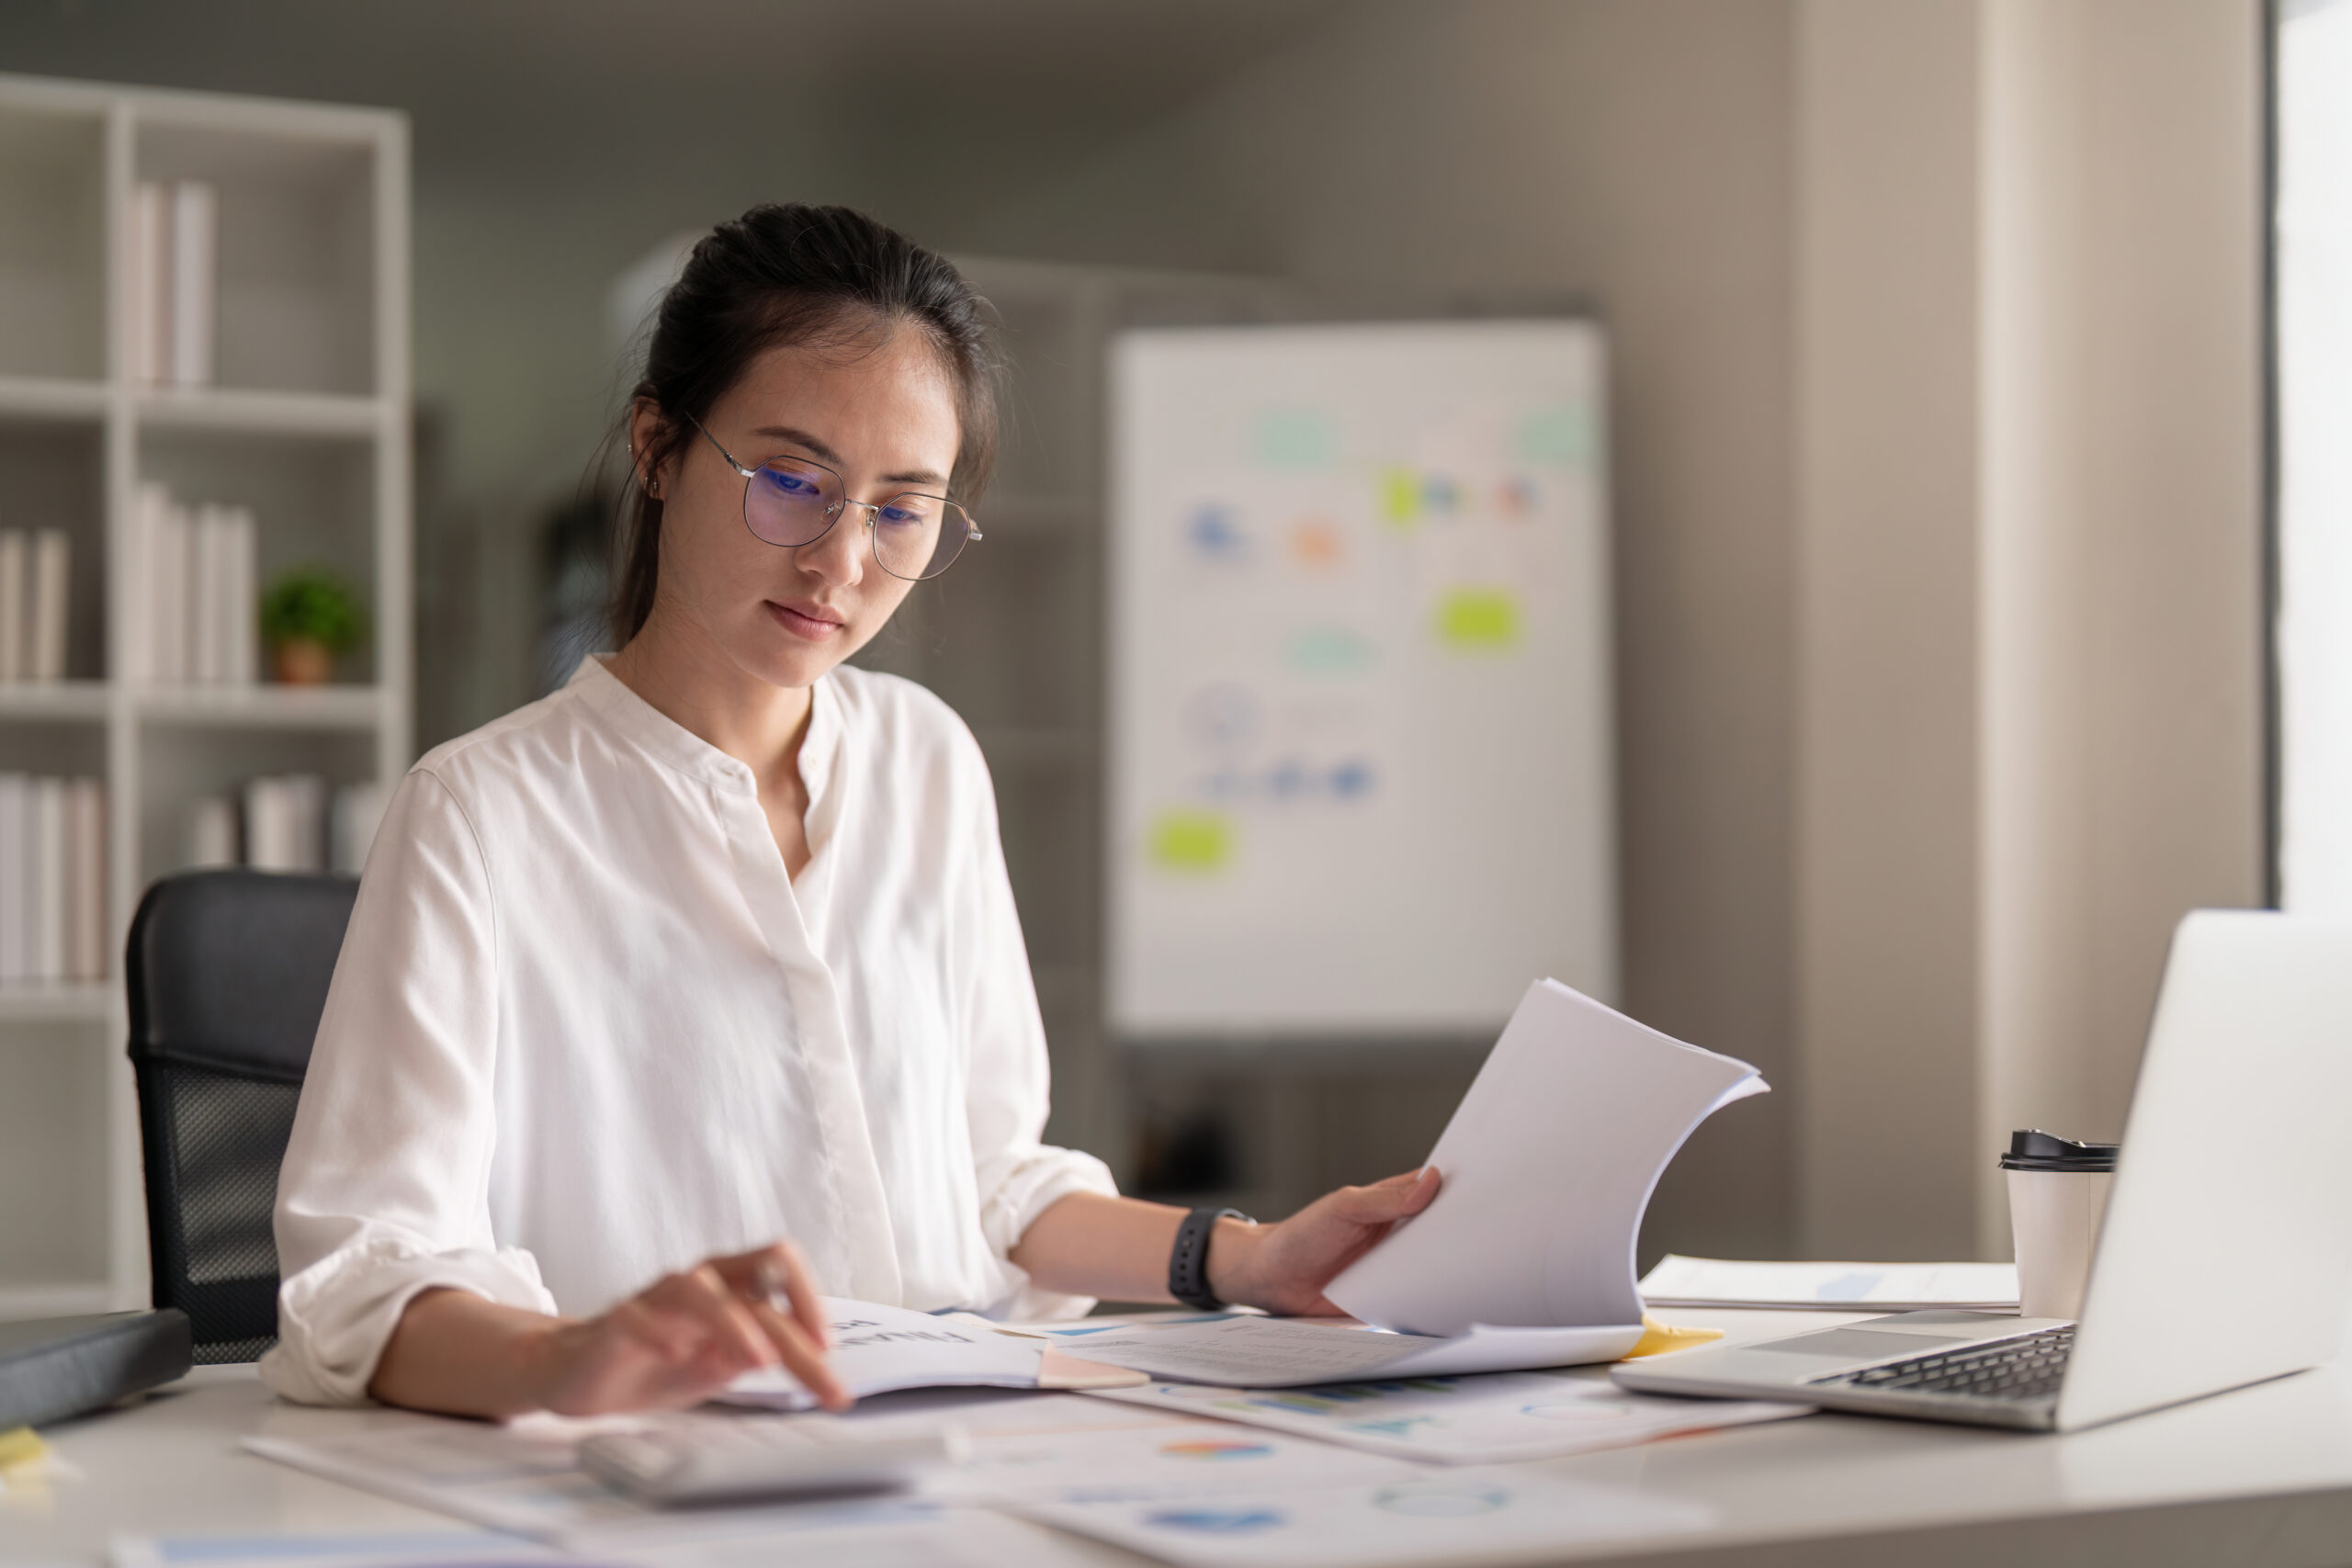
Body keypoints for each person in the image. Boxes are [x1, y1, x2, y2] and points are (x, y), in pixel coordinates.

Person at [263, 203, 1439, 1418]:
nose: (839, 563)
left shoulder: (927, 761)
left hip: (957, 1450)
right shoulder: (481, 817)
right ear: (659, 448)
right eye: (790, 480)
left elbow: (991, 1181)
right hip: (649, 1485)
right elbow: (366, 1273)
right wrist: (567, 1356)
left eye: (900, 509)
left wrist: (1249, 1259)